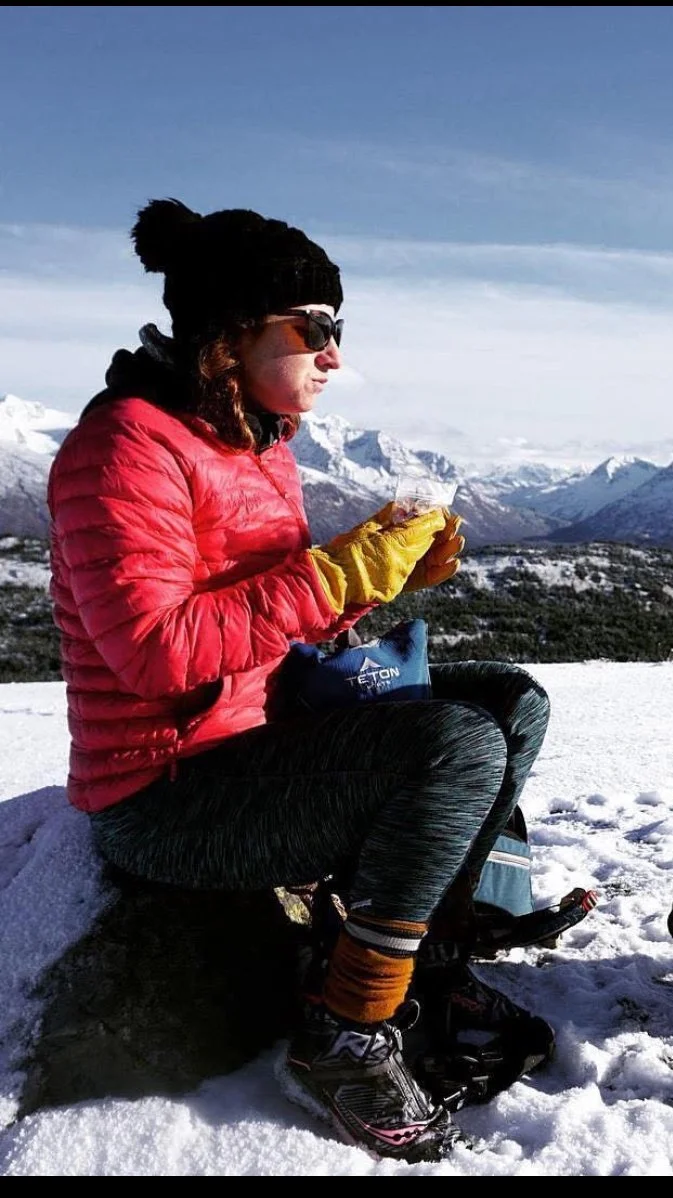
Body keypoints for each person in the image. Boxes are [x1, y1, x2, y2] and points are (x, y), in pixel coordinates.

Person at [46, 198, 555, 1162]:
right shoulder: (124, 450)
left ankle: (423, 960)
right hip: (166, 790)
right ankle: (345, 1032)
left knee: (508, 702)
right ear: (230, 335)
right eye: (313, 329)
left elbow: (275, 619)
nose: (332, 355)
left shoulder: (258, 444)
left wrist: (379, 579)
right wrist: (341, 569)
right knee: (452, 746)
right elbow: (153, 649)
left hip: (260, 731)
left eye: (337, 331)